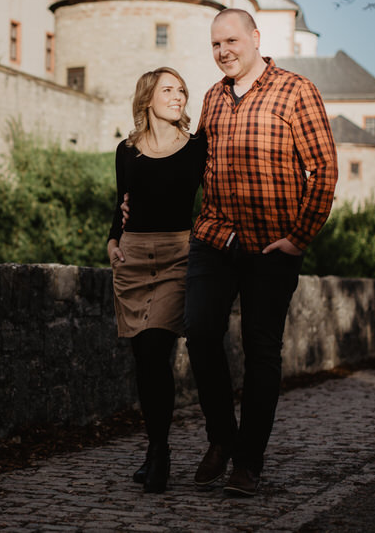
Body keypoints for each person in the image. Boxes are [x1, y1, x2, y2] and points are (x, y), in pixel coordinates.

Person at [184, 8, 338, 497]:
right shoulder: (212, 98)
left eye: (231, 40)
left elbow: (324, 171)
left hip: (273, 245)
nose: (223, 51)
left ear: (254, 37)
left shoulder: (296, 90)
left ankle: (248, 462)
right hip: (215, 236)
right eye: (215, 44)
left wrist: (298, 238)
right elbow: (194, 168)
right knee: (200, 330)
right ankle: (222, 438)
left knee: (261, 351)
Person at [107, 67, 206, 494]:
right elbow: (121, 202)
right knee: (142, 360)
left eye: (182, 90)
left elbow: (219, 196)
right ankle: (156, 448)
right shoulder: (126, 151)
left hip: (177, 255)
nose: (178, 96)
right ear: (148, 97)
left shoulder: (199, 148)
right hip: (132, 259)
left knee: (154, 348)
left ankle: (160, 453)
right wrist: (112, 240)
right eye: (168, 89)